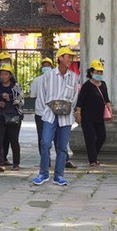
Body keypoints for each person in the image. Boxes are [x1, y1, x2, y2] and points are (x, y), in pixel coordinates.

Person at [32, 47, 78, 186]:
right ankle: (43, 173)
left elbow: (75, 96)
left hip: (66, 116)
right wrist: (46, 110)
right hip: (50, 115)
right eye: (67, 56)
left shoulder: (73, 77)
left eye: (71, 57)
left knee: (62, 147)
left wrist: (68, 108)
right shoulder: (48, 76)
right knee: (45, 142)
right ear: (60, 58)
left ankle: (59, 175)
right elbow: (41, 96)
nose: (70, 59)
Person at [74, 60, 112, 167]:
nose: (99, 74)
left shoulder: (103, 85)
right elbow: (80, 101)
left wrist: (110, 111)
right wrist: (78, 112)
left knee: (102, 136)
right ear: (91, 72)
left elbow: (106, 99)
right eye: (97, 71)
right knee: (90, 138)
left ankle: (94, 155)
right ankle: (92, 160)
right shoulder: (86, 86)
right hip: (87, 117)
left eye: (101, 72)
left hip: (99, 117)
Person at [0, 64, 24, 172]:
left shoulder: (16, 87)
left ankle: (16, 163)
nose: (3, 76)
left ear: (10, 75)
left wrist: (10, 99)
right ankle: (0, 163)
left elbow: (21, 101)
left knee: (14, 140)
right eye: (2, 74)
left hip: (13, 116)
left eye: (6, 74)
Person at [30, 57, 54, 160]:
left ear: (52, 67)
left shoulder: (56, 79)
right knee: (42, 137)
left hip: (52, 112)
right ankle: (45, 159)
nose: (46, 67)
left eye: (47, 65)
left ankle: (60, 158)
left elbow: (32, 95)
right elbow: (33, 95)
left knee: (51, 137)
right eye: (44, 65)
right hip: (41, 112)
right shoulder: (37, 80)